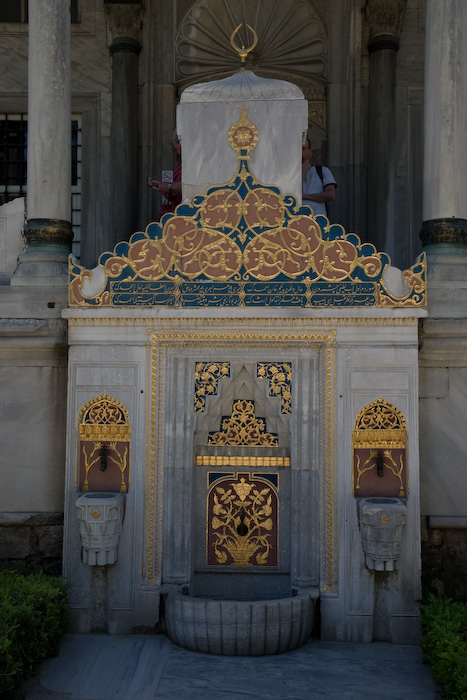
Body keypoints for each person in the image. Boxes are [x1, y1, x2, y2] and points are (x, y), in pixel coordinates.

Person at [148, 132, 182, 220]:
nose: (178, 152)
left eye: (179, 149)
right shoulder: (179, 165)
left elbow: (189, 183)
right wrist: (167, 193)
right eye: (176, 150)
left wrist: (168, 186)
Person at [302, 137, 336, 216]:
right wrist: (302, 172)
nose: (300, 152)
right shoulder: (287, 174)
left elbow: (330, 195)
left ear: (310, 152)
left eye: (303, 149)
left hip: (317, 221)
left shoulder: (322, 171)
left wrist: (304, 196)